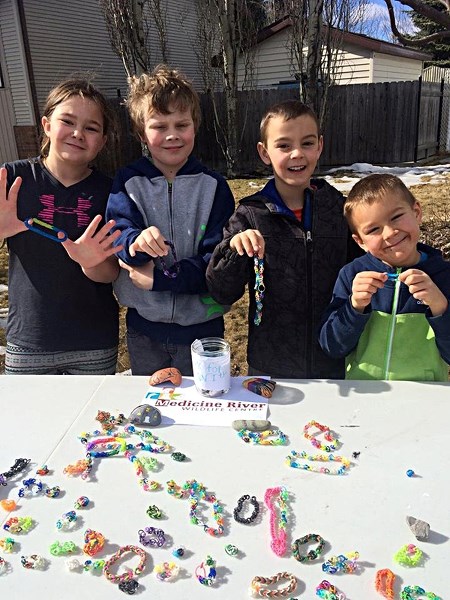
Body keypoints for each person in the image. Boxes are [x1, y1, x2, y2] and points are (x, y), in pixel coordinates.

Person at [206, 99, 360, 379]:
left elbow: (365, 262)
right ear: (265, 153)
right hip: (271, 360)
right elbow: (222, 291)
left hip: (334, 355)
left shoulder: (338, 209)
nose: (297, 154)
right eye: (284, 145)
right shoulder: (250, 214)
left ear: (320, 146)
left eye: (307, 143)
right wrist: (234, 249)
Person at [106, 64, 235, 376]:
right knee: (153, 413)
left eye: (181, 124)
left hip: (204, 328)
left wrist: (164, 279)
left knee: (204, 404)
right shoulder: (127, 181)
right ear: (141, 134)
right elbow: (117, 232)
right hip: (144, 327)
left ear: (195, 127)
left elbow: (218, 259)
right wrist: (134, 241)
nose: (172, 135)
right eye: (159, 126)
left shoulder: (214, 187)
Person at [0, 78, 122, 375]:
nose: (78, 133)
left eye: (91, 128)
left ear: (103, 140)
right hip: (28, 341)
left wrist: (90, 263)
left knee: (94, 423)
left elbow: (111, 273)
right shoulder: (13, 179)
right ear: (46, 125)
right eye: (67, 121)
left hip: (94, 344)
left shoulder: (113, 192)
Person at [319, 173, 450, 381]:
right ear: (360, 241)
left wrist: (440, 308)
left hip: (425, 400)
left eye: (396, 217)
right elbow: (332, 347)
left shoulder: (444, 276)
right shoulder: (352, 275)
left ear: (416, 212)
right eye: (373, 229)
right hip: (365, 399)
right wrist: (354, 308)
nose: (389, 233)